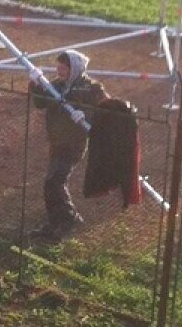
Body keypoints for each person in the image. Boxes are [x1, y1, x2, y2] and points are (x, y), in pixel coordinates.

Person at [29, 50, 108, 241]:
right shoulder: (56, 85)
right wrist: (35, 83)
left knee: (54, 180)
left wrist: (86, 115)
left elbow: (106, 110)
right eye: (58, 67)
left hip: (74, 143)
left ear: (74, 68)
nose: (60, 71)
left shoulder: (92, 88)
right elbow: (40, 103)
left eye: (64, 68)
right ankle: (55, 221)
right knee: (51, 181)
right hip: (56, 141)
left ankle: (69, 219)